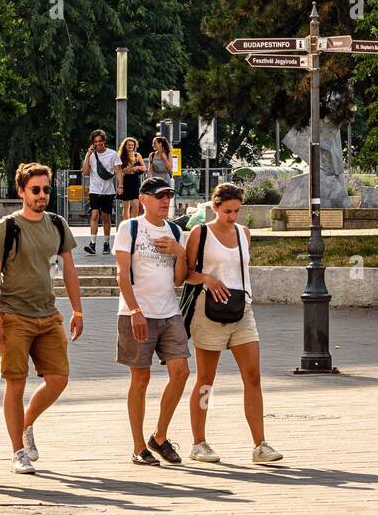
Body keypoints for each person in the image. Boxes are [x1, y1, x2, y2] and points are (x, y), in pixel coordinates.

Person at [0, 162, 83, 474]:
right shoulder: (7, 227)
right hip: (13, 315)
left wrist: (77, 310)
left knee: (59, 379)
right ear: (21, 192)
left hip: (48, 314)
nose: (42, 195)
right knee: (16, 383)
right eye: (35, 190)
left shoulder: (57, 224)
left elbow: (69, 270)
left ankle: (25, 425)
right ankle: (17, 452)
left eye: (46, 189)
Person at [185, 183, 282, 465]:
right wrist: (206, 278)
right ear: (214, 207)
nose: (232, 216)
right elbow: (184, 273)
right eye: (227, 211)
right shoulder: (200, 233)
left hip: (242, 310)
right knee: (206, 379)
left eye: (237, 211)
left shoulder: (244, 233)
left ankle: (260, 445)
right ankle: (199, 442)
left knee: (253, 376)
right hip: (209, 311)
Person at [113, 176, 189, 465]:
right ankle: (137, 447)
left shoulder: (174, 231)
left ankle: (159, 436)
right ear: (143, 199)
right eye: (159, 197)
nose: (165, 202)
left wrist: (179, 252)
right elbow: (121, 274)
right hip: (137, 313)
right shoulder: (129, 228)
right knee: (140, 378)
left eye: (168, 196)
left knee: (181, 372)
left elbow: (179, 279)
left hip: (169, 312)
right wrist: (135, 311)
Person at [81, 129, 122, 255]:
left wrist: (120, 186)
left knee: (106, 218)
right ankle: (92, 243)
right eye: (95, 142)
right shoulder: (91, 156)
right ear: (93, 143)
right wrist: (88, 154)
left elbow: (118, 171)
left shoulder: (112, 154)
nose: (98, 144)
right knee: (94, 215)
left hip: (108, 191)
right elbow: (85, 172)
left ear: (104, 141)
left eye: (100, 141)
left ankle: (106, 243)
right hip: (94, 190)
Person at [118, 137, 146, 220]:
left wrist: (136, 167)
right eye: (129, 145)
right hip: (125, 180)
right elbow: (118, 170)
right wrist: (124, 171)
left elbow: (144, 168)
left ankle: (133, 224)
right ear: (125, 146)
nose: (130, 146)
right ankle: (126, 225)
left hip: (134, 180)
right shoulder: (120, 156)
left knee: (136, 204)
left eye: (132, 145)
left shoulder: (137, 155)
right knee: (126, 206)